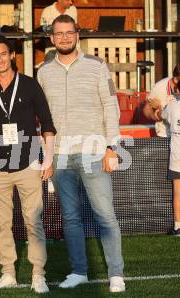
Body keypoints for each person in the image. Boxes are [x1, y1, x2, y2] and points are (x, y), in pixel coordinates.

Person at [37, 15, 125, 293]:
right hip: (61, 155)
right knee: (70, 218)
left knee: (105, 215)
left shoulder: (97, 66)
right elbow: (43, 117)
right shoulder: (43, 71)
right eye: (58, 34)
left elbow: (111, 106)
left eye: (69, 33)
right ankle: (79, 271)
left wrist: (111, 147)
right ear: (51, 38)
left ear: (77, 35)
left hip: (94, 153)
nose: (64, 38)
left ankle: (116, 274)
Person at [0, 34, 56, 294]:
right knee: (2, 223)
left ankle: (38, 274)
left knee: (33, 221)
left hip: (29, 163)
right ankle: (8, 272)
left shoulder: (30, 85)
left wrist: (49, 159)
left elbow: (47, 124)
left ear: (12, 55)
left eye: (3, 54)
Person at [161, 77, 180, 237]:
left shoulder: (172, 106)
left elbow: (162, 115)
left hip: (178, 157)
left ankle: (178, 228)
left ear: (177, 90)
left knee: (178, 192)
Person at [143, 64, 180, 137]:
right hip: (164, 135)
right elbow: (147, 109)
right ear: (175, 79)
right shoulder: (159, 88)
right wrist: (154, 116)